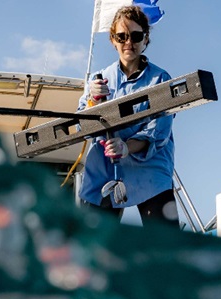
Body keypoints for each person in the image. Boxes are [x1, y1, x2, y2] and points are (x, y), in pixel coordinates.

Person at [76, 5, 177, 227]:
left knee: (165, 247)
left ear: (146, 39)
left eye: (136, 36)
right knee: (93, 248)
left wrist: (126, 146)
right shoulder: (97, 79)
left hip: (150, 173)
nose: (128, 42)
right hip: (103, 172)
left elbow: (160, 130)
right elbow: (80, 128)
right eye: (121, 36)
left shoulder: (161, 78)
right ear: (113, 40)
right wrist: (92, 101)